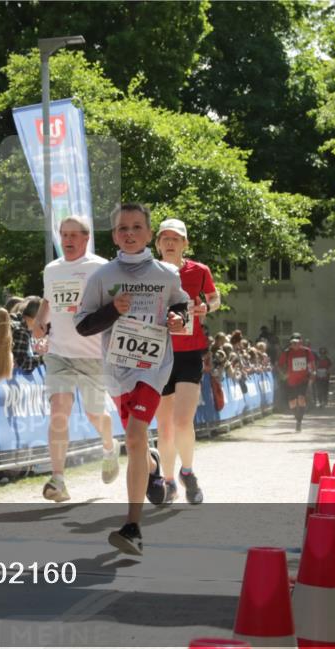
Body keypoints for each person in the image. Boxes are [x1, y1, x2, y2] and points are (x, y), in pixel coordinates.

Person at [75, 203, 189, 556]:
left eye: (137, 227)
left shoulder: (166, 275)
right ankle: (152, 465)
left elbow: (182, 308)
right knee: (138, 442)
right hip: (117, 371)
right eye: (123, 228)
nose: (129, 233)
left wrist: (176, 319)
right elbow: (83, 325)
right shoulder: (102, 277)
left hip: (153, 369)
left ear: (149, 234)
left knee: (136, 435)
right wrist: (113, 310)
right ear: (114, 235)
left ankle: (132, 527)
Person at [32, 215, 117, 503]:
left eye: (73, 235)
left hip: (93, 354)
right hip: (59, 353)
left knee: (95, 414)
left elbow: (114, 306)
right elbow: (47, 301)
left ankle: (109, 446)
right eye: (63, 234)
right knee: (59, 410)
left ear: (85, 238)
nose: (67, 240)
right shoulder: (52, 269)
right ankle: (58, 480)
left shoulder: (100, 267)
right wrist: (40, 323)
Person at [152, 218, 219, 504]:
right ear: (157, 244)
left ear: (184, 244)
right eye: (164, 238)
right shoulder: (147, 272)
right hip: (157, 353)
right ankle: (168, 482)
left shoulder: (199, 271)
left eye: (175, 239)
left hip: (190, 352)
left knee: (182, 421)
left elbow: (215, 299)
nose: (169, 243)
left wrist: (207, 306)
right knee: (164, 426)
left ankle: (188, 473)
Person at [277, 333, 315, 432]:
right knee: (292, 403)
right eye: (293, 342)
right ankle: (297, 417)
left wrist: (312, 374)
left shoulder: (307, 351)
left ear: (300, 342)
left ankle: (299, 422)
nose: (294, 344)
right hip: (291, 381)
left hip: (303, 380)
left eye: (296, 342)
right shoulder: (287, 352)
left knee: (301, 399)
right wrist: (283, 374)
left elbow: (312, 365)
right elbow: (279, 365)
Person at [11, 295, 43, 373]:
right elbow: (22, 363)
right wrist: (46, 358)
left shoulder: (18, 322)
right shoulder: (21, 330)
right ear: (38, 317)